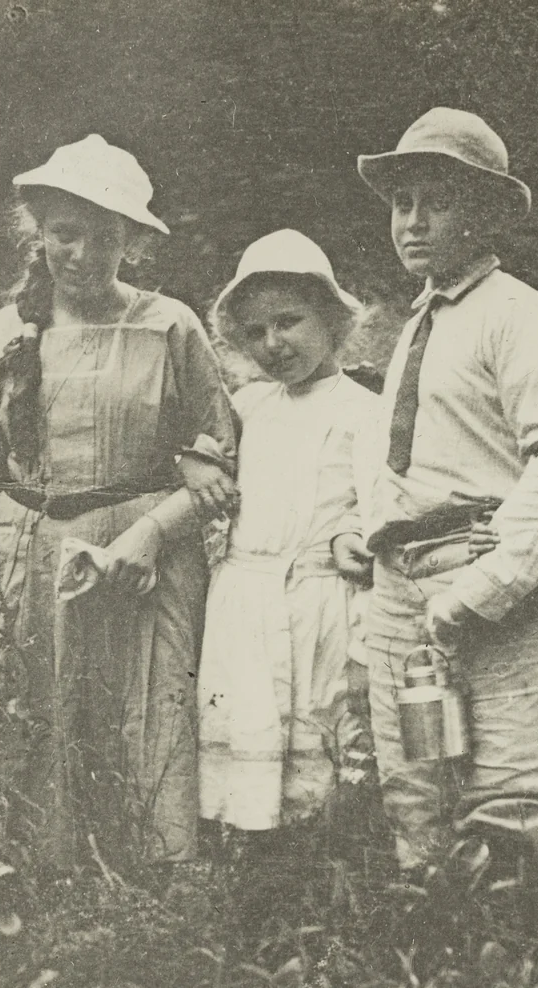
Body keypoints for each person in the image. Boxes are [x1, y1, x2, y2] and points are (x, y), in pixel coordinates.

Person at [0, 134, 238, 875]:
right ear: (38, 233)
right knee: (23, 720)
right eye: (65, 233)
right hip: (24, 564)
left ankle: (143, 889)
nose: (83, 254)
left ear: (132, 243)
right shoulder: (7, 333)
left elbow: (222, 458)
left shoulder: (169, 326)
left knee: (137, 717)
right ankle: (22, 880)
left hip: (139, 570)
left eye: (104, 238)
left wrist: (154, 532)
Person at [355, 107, 538, 874]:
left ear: (487, 213)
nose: (413, 222)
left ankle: (529, 943)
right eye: (402, 204)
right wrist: (369, 540)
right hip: (399, 587)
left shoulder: (517, 314)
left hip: (487, 578)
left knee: (516, 798)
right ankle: (437, 938)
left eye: (437, 202)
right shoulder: (414, 326)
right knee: (416, 795)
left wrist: (490, 584)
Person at [197, 229, 377, 836]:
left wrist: (351, 531)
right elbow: (206, 464)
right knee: (247, 735)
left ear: (330, 317)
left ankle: (318, 853)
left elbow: (372, 502)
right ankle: (249, 847)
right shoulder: (246, 407)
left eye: (288, 321)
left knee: (317, 735)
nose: (272, 344)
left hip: (322, 602)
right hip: (245, 599)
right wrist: (195, 463)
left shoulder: (364, 410)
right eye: (254, 332)